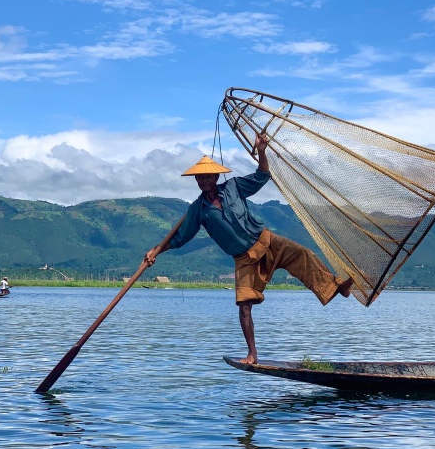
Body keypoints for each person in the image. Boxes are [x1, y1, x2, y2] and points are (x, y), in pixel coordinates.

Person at [144, 134, 353, 365]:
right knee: (244, 306)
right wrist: (155, 251)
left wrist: (261, 151)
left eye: (207, 177)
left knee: (304, 254)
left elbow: (262, 176)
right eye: (199, 178)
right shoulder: (198, 209)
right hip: (244, 259)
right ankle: (252, 355)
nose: (203, 181)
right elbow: (179, 238)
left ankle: (337, 287)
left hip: (266, 241)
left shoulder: (233, 187)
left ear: (216, 176)